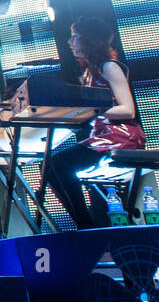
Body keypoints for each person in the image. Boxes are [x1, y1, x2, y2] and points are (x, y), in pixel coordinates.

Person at [41, 16, 146, 229]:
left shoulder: (109, 67)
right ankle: (85, 225)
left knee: (58, 164)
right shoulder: (90, 72)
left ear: (90, 39)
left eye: (75, 37)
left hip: (120, 135)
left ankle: (87, 228)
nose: (70, 43)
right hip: (102, 136)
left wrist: (94, 114)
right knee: (50, 167)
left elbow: (128, 109)